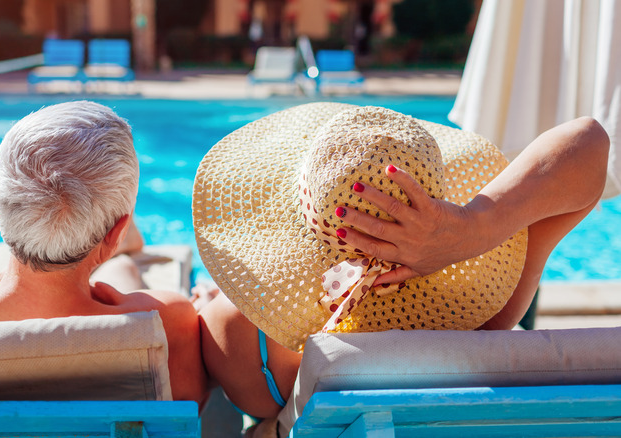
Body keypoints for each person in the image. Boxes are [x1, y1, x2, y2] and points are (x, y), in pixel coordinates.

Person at [193, 103, 610, 419]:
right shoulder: (488, 316)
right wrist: (472, 228)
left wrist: (234, 298)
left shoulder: (247, 342)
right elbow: (590, 140)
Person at [0, 101, 207, 403]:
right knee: (122, 274)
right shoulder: (166, 322)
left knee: (0, 261)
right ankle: (116, 251)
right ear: (114, 230)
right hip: (103, 282)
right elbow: (190, 411)